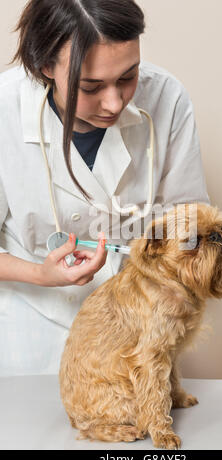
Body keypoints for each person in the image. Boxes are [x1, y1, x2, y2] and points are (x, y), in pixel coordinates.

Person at [0, 0, 210, 376]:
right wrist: (40, 275)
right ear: (45, 65)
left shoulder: (166, 98)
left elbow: (190, 224)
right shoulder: (5, 107)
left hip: (136, 323)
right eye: (91, 86)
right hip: (32, 326)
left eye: (128, 77)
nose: (114, 103)